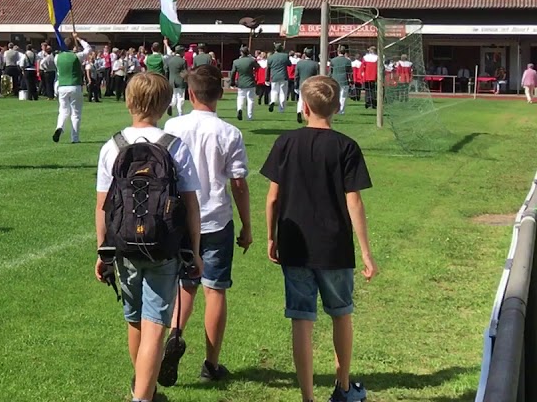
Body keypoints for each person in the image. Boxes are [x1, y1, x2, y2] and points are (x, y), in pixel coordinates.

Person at [262, 76, 377, 402]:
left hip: (295, 242)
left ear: (304, 107)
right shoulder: (346, 146)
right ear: (338, 107)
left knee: (301, 318)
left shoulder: (286, 142)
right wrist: (366, 252)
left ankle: (307, 397)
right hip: (334, 245)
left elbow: (273, 198)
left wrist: (271, 236)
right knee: (341, 313)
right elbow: (354, 201)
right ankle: (343, 387)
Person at [96, 73, 203, 402]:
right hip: (163, 245)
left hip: (124, 244)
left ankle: (146, 389)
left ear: (128, 101)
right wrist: (195, 250)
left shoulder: (112, 146)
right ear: (166, 104)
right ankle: (143, 397)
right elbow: (191, 205)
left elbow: (103, 206)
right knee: (155, 325)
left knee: (135, 321)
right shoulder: (174, 145)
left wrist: (102, 250)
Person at [159, 64, 252, 386]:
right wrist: (247, 225)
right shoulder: (229, 133)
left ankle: (174, 335)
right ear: (220, 94)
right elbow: (238, 183)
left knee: (185, 286)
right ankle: (211, 362)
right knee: (216, 289)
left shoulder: (173, 126)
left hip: (181, 217)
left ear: (190, 93)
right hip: (215, 217)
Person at [53, 32, 93, 144]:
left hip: (62, 86)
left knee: (63, 110)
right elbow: (88, 49)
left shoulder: (57, 57)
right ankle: (75, 138)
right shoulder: (77, 56)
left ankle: (59, 126)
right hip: (75, 85)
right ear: (73, 46)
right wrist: (78, 38)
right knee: (76, 113)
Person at [294, 49, 322, 124]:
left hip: (302, 84)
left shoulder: (299, 63)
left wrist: (296, 85)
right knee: (310, 100)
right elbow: (317, 76)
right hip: (311, 84)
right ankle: (309, 114)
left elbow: (296, 76)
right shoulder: (315, 64)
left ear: (305, 54)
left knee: (301, 99)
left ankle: (299, 111)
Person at [231, 47, 258, 121]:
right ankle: (250, 116)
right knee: (250, 99)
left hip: (241, 82)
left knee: (240, 97)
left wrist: (232, 82)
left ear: (241, 53)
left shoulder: (236, 62)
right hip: (250, 81)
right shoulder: (251, 60)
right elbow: (258, 67)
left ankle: (239, 109)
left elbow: (233, 72)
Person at [268, 43, 292, 113]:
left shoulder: (270, 57)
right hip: (283, 76)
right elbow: (289, 64)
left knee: (274, 91)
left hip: (274, 77)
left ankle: (272, 101)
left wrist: (267, 78)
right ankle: (281, 109)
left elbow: (268, 68)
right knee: (283, 93)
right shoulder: (285, 56)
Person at [165, 45, 188, 116]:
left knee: (174, 96)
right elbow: (185, 72)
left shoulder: (170, 60)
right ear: (181, 52)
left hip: (172, 80)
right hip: (180, 81)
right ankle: (180, 113)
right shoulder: (183, 61)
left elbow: (166, 70)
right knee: (180, 97)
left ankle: (171, 105)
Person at [330, 47, 352, 115]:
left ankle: (334, 109)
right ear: (345, 52)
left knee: (335, 96)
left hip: (334, 80)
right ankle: (341, 111)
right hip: (344, 80)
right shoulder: (348, 61)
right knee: (343, 97)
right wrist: (351, 81)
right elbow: (350, 72)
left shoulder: (333, 60)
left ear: (338, 52)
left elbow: (330, 72)